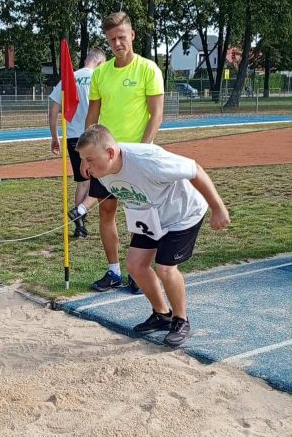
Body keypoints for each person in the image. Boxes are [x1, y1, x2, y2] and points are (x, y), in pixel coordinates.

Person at [75, 124, 230, 346]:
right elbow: (99, 198)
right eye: (82, 159)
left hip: (182, 214)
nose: (85, 166)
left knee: (165, 268)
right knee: (135, 265)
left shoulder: (149, 160)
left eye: (89, 159)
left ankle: (181, 320)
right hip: (149, 215)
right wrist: (81, 202)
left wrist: (218, 208)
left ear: (110, 153)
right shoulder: (99, 170)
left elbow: (195, 169)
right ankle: (162, 314)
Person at [69, 11, 164, 290]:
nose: (117, 43)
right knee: (106, 212)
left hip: (135, 157)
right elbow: (92, 117)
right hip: (105, 159)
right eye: (112, 39)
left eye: (121, 37)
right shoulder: (101, 73)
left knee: (139, 215)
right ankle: (114, 272)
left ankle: (138, 272)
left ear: (132, 35)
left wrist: (143, 151)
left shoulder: (148, 69)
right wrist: (86, 156)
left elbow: (156, 115)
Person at [49, 48, 106, 237]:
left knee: (82, 183)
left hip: (73, 137)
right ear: (100, 63)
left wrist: (55, 137)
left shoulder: (68, 78)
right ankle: (82, 210)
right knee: (103, 180)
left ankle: (79, 226)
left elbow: (53, 111)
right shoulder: (100, 78)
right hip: (94, 136)